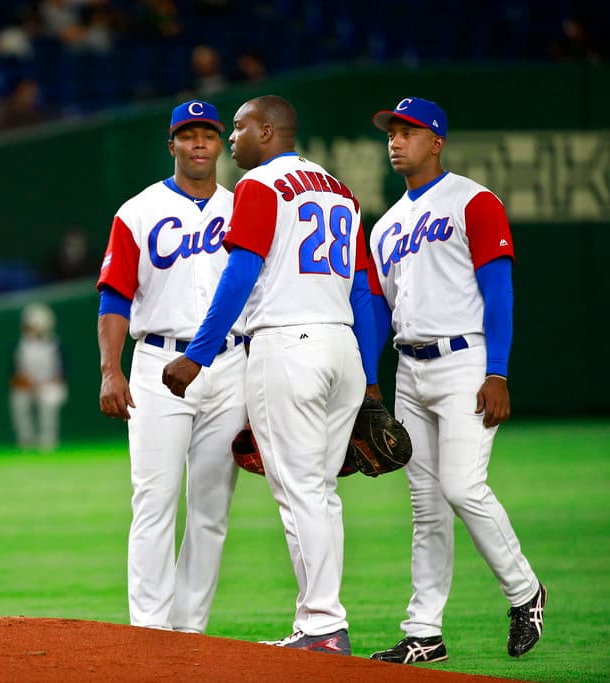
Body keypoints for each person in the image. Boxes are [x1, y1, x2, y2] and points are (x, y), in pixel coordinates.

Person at [162, 95, 377, 655]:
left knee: (300, 490)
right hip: (343, 346)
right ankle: (321, 621)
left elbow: (241, 272)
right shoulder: (341, 190)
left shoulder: (260, 187)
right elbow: (364, 290)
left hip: (288, 345)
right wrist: (372, 379)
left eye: (237, 128)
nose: (231, 139)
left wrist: (198, 354)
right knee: (321, 492)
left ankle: (324, 626)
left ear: (266, 130)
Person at [364, 97, 546, 664]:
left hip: (466, 360)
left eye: (408, 131)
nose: (396, 140)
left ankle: (524, 592)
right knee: (425, 506)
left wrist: (498, 370)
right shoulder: (386, 226)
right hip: (409, 368)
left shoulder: (474, 200)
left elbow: (500, 291)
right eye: (391, 132)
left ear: (436, 140)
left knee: (462, 486)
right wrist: (370, 385)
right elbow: (377, 311)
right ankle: (425, 632)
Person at [97, 99, 247, 634]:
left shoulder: (244, 208)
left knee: (211, 510)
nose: (200, 143)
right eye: (189, 135)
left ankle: (190, 633)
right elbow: (114, 297)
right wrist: (110, 370)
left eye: (208, 133)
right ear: (172, 145)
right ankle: (150, 630)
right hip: (157, 362)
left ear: (219, 143)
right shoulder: (137, 211)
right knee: (155, 500)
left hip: (230, 365)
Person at [10, 302, 67, 452]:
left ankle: (47, 442)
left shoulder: (55, 344)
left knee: (48, 399)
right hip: (28, 387)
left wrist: (45, 384)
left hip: (50, 386)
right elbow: (15, 375)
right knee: (19, 399)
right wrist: (27, 383)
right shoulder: (20, 345)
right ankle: (26, 442)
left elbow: (61, 374)